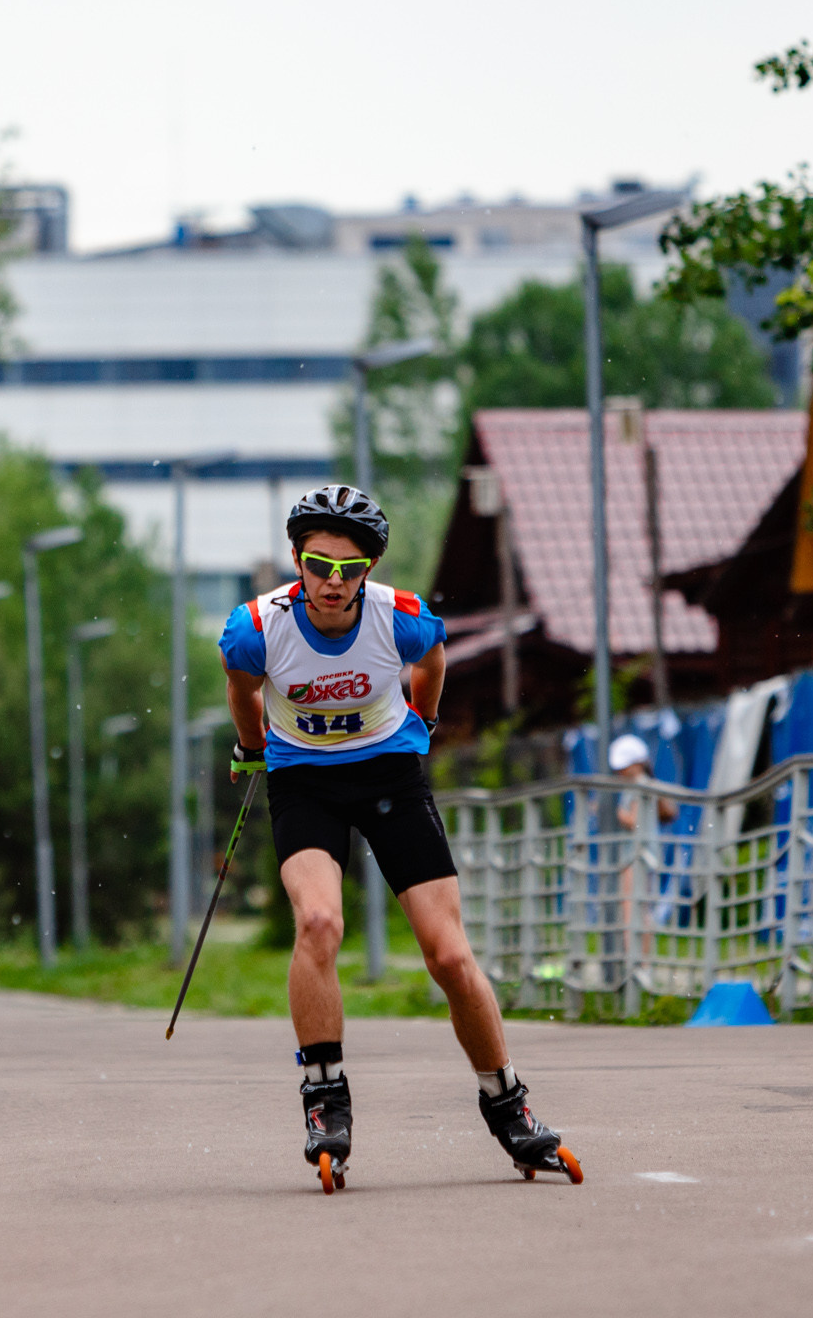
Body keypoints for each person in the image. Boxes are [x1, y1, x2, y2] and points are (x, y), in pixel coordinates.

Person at [219, 483, 579, 1192]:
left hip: (389, 772)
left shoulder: (402, 618)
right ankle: (325, 1097)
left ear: (371, 569)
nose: (332, 582)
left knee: (448, 954)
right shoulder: (256, 628)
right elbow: (243, 687)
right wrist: (252, 745)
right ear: (297, 558)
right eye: (318, 565)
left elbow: (433, 660)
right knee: (319, 922)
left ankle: (508, 1102)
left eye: (349, 570)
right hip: (305, 780)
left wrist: (425, 719)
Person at [607, 733, 677, 983]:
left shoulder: (636, 786)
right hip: (647, 854)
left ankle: (637, 965)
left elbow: (635, 822)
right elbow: (666, 813)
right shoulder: (649, 783)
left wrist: (614, 812)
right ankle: (640, 964)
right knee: (641, 908)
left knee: (632, 910)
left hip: (636, 855)